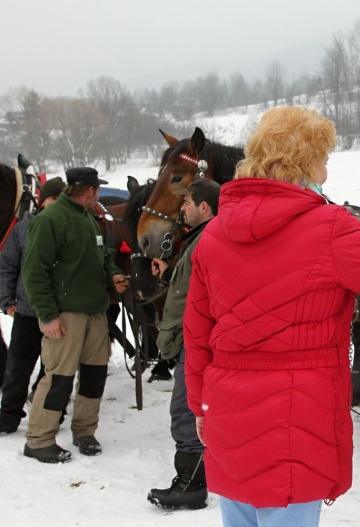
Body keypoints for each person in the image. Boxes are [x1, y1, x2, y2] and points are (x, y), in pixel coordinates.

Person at [182, 106, 360, 526]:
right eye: (323, 154)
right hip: (296, 417)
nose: (327, 163)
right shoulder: (330, 227)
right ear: (303, 160)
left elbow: (197, 332)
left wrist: (200, 405)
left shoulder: (213, 234)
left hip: (230, 414)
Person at [21, 167, 129, 463]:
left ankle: (84, 431)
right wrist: (48, 315)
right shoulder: (49, 220)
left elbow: (102, 258)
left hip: (96, 312)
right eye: (97, 191)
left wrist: (114, 275)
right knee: (59, 377)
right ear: (90, 190)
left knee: (94, 376)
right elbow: (34, 273)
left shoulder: (88, 220)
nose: (98, 196)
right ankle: (39, 439)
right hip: (65, 314)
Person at [147, 179, 220, 510]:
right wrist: (168, 276)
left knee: (187, 410)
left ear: (204, 206)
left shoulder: (210, 240)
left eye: (187, 202)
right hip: (193, 338)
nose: (182, 208)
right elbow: (193, 286)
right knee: (190, 410)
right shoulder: (202, 239)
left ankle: (191, 486)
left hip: (198, 341)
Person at [0, 178, 66, 435]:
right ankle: (9, 415)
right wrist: (7, 302)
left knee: (55, 368)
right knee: (17, 367)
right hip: (27, 312)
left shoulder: (69, 228)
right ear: (42, 201)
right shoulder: (23, 229)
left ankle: (51, 412)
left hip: (61, 313)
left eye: (60, 201)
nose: (55, 206)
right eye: (51, 200)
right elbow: (7, 267)